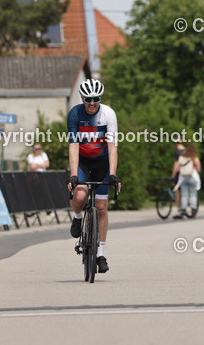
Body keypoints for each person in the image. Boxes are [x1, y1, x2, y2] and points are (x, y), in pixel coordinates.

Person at [67, 78, 120, 274]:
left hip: (102, 162)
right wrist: (74, 175)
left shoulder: (108, 114)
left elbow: (112, 146)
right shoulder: (75, 114)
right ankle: (77, 216)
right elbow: (73, 145)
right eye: (88, 99)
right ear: (82, 98)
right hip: (82, 161)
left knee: (101, 207)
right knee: (79, 196)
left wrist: (113, 174)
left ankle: (100, 254)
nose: (91, 103)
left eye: (96, 98)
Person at [171, 144, 201, 218]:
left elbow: (177, 168)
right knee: (193, 194)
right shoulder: (195, 158)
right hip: (192, 177)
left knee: (184, 194)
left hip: (183, 178)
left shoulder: (181, 157)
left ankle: (183, 209)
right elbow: (198, 169)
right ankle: (193, 209)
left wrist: (173, 176)